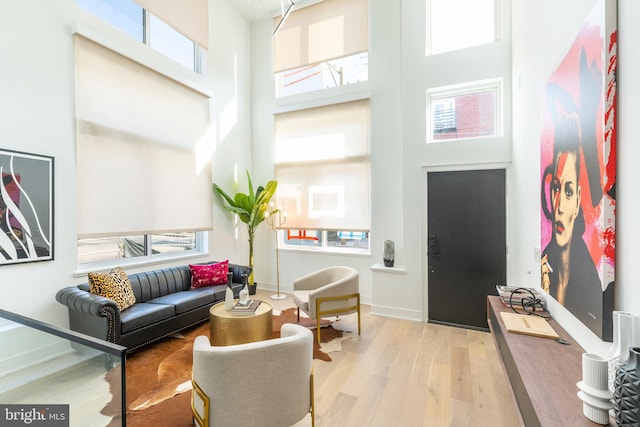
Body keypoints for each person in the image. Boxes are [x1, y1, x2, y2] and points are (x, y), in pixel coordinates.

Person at [541, 111, 605, 334]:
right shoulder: (545, 262)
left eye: (567, 191)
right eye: (556, 188)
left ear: (578, 200)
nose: (558, 205)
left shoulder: (590, 283)